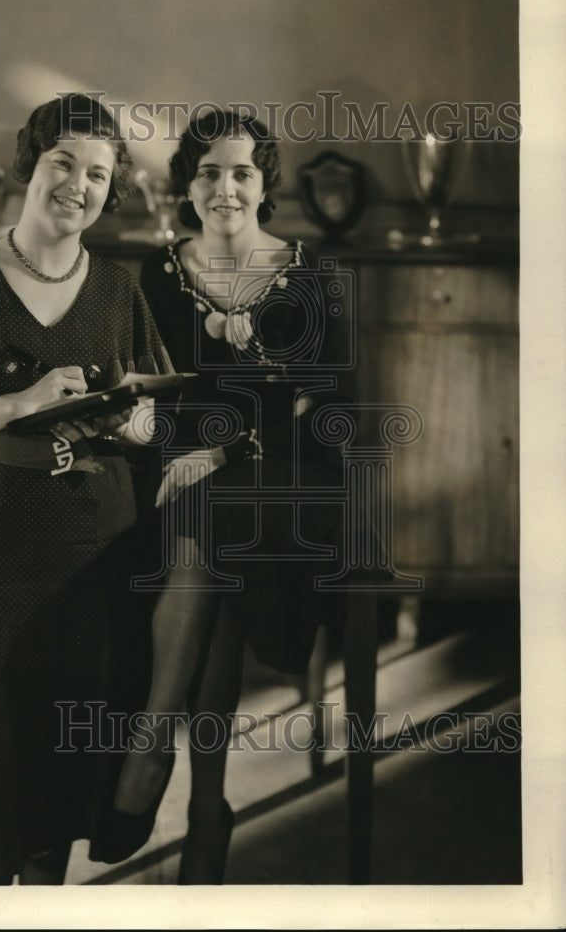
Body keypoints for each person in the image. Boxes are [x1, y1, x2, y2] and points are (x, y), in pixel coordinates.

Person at [0, 93, 173, 885]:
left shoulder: (117, 289)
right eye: (62, 163)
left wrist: (134, 423)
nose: (76, 185)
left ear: (109, 191)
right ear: (31, 165)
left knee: (61, 758)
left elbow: (144, 419)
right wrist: (21, 403)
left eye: (96, 174)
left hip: (92, 549)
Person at [113, 109, 347, 883]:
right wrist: (172, 440)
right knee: (198, 525)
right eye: (208, 171)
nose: (224, 187)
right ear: (188, 183)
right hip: (189, 472)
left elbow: (323, 410)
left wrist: (220, 449)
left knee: (204, 514)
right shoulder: (159, 272)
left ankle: (149, 754)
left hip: (285, 473)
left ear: (262, 184)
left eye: (241, 171)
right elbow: (150, 391)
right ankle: (207, 806)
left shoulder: (306, 274)